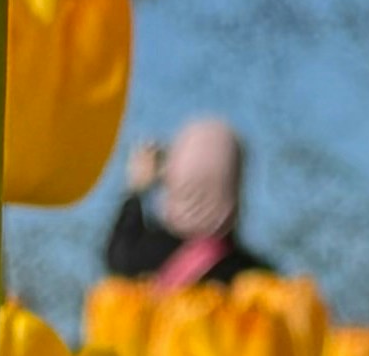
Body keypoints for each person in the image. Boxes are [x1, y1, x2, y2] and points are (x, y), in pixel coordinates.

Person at [103, 118, 259, 289]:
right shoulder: (254, 281)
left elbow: (117, 255)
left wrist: (137, 190)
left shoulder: (137, 258)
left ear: (176, 173)